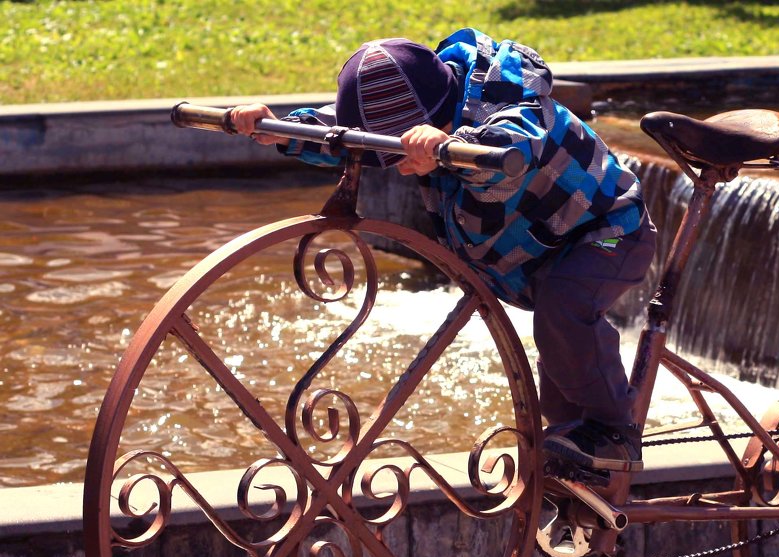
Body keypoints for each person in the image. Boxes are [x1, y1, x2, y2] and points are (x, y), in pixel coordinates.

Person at [230, 28, 656, 472]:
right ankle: (586, 496)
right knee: (563, 398)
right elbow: (343, 135)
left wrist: (446, 148)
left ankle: (615, 434)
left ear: (440, 115)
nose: (398, 169)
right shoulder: (428, 104)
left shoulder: (509, 97)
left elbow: (514, 147)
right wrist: (275, 129)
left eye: (401, 155)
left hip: (609, 231)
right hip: (539, 256)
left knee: (564, 309)